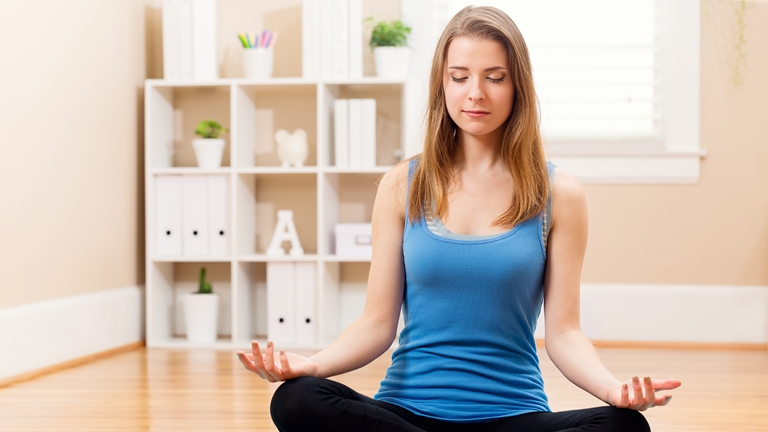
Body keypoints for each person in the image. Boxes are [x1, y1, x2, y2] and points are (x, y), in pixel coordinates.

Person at [237, 6, 681, 432]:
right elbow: (376, 324)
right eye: (460, 76)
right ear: (442, 85)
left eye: (495, 77)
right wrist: (311, 365)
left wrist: (612, 389)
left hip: (514, 415)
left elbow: (564, 333)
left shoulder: (559, 194)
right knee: (296, 398)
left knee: (623, 425)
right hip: (407, 414)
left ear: (518, 86)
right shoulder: (401, 185)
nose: (476, 93)